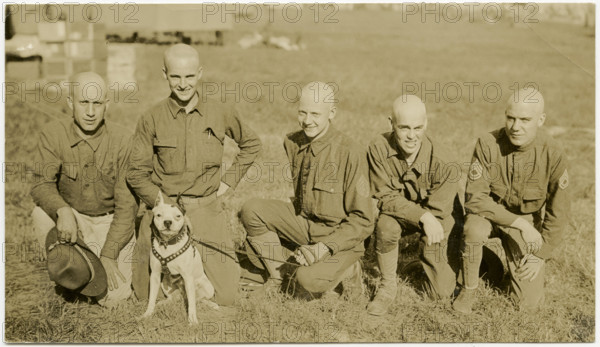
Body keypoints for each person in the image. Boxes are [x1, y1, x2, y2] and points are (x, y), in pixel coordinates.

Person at [127, 44, 262, 306]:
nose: (183, 84)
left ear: (200, 73)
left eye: (189, 76)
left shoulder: (220, 111)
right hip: (165, 210)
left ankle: (206, 274)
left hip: (205, 208)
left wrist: (226, 183)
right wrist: (160, 205)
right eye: (175, 76)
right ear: (164, 74)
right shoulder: (151, 118)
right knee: (142, 295)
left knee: (227, 296)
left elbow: (252, 145)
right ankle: (181, 284)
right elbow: (136, 173)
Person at [240, 81, 373, 298]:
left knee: (306, 280)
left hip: (339, 237)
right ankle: (277, 276)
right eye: (302, 112)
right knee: (251, 209)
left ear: (332, 113)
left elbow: (363, 221)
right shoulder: (293, 142)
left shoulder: (352, 153)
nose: (307, 121)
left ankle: (350, 270)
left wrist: (324, 248)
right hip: (305, 224)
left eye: (315, 114)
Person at [452, 88, 570, 313]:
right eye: (511, 118)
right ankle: (469, 286)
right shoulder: (488, 143)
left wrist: (540, 255)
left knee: (528, 305)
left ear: (541, 120)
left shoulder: (553, 153)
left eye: (525, 120)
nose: (516, 127)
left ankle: (487, 262)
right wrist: (522, 225)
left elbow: (559, 211)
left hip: (524, 222)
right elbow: (475, 200)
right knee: (473, 229)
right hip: (487, 215)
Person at [31, 71, 137, 306]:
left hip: (110, 223)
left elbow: (126, 205)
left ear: (106, 104)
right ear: (70, 102)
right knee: (40, 214)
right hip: (74, 220)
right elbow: (41, 183)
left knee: (115, 299)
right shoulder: (52, 134)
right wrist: (63, 210)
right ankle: (68, 272)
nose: (90, 112)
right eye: (84, 102)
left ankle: (88, 269)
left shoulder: (123, 140)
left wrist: (109, 253)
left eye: (97, 103)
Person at [366, 95, 459, 315]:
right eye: (404, 127)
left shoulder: (446, 161)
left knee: (441, 292)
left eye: (418, 128)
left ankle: (427, 261)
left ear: (426, 124)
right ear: (391, 123)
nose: (411, 136)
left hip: (437, 217)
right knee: (386, 227)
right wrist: (422, 216)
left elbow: (438, 216)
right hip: (402, 214)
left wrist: (427, 221)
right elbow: (385, 196)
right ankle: (388, 286)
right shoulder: (378, 148)